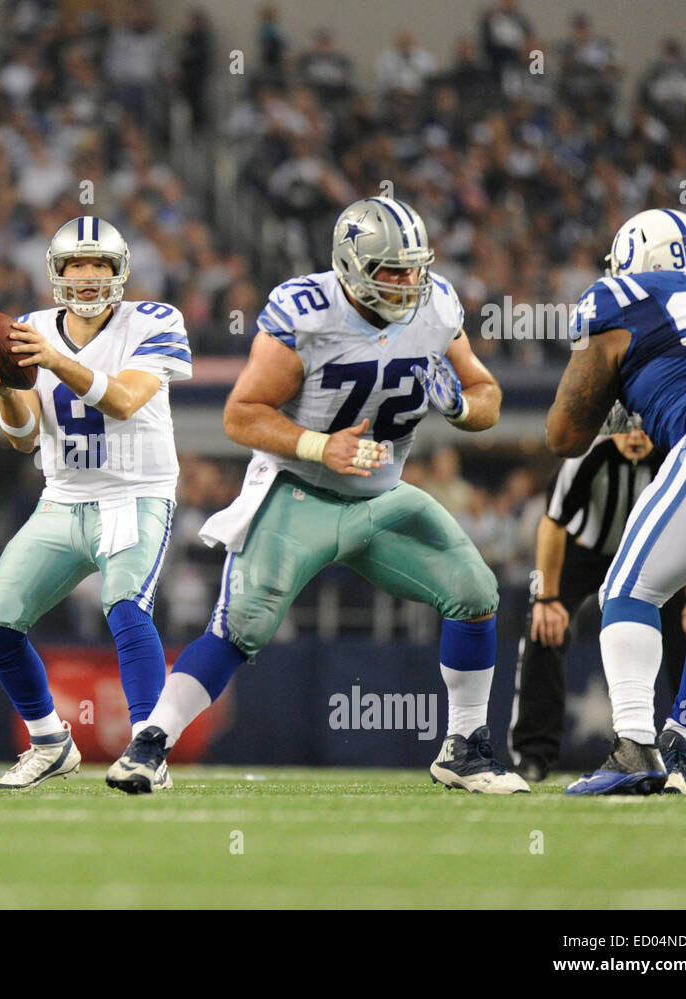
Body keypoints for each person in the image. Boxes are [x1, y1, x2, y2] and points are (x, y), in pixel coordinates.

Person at [107, 196, 529, 794]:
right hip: (298, 490)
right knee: (240, 627)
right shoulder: (307, 311)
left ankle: (465, 747)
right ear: (351, 266)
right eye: (392, 270)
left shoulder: (436, 305)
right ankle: (148, 746)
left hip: (382, 497)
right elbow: (242, 414)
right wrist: (316, 446)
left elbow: (487, 394)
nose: (409, 282)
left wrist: (460, 406)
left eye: (415, 267)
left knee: (475, 592)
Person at [0, 215, 190, 789]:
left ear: (120, 272)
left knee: (125, 607)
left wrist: (51, 360)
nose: (88, 277)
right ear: (56, 274)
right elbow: (22, 439)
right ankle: (49, 743)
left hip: (134, 493)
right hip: (63, 497)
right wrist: (7, 392)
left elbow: (121, 401)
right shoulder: (33, 328)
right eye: (76, 266)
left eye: (99, 266)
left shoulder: (154, 321)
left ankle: (147, 751)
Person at [547, 208, 686, 795]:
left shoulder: (617, 296)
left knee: (627, 590)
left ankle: (635, 747)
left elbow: (564, 435)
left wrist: (625, 402)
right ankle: (681, 734)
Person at [510, 428, 686, 783]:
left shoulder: (676, 449)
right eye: (625, 427)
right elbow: (553, 523)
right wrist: (547, 598)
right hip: (587, 551)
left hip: (656, 554)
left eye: (642, 426)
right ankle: (534, 755)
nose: (634, 436)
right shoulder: (586, 454)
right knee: (543, 629)